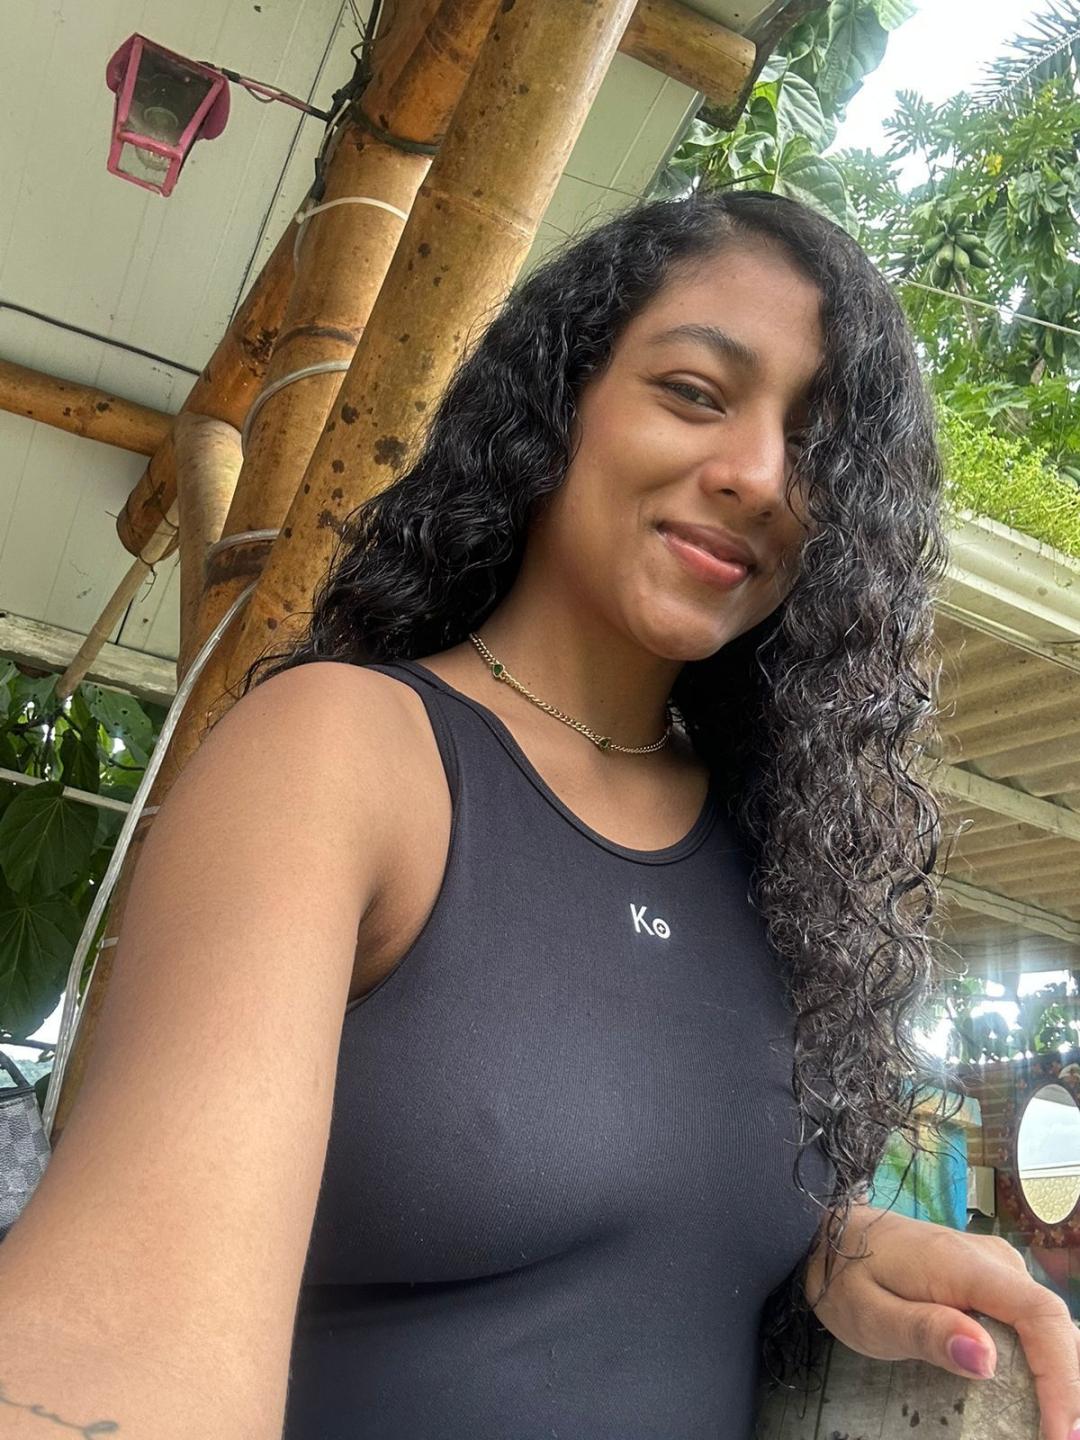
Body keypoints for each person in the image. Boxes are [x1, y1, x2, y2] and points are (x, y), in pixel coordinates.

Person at [2, 189, 1077, 1440]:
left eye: (816, 448)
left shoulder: (779, 863)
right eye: (695, 392)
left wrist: (829, 1251)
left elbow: (629, 1233)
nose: (757, 476)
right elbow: (121, 1337)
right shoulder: (344, 753)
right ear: (562, 400)